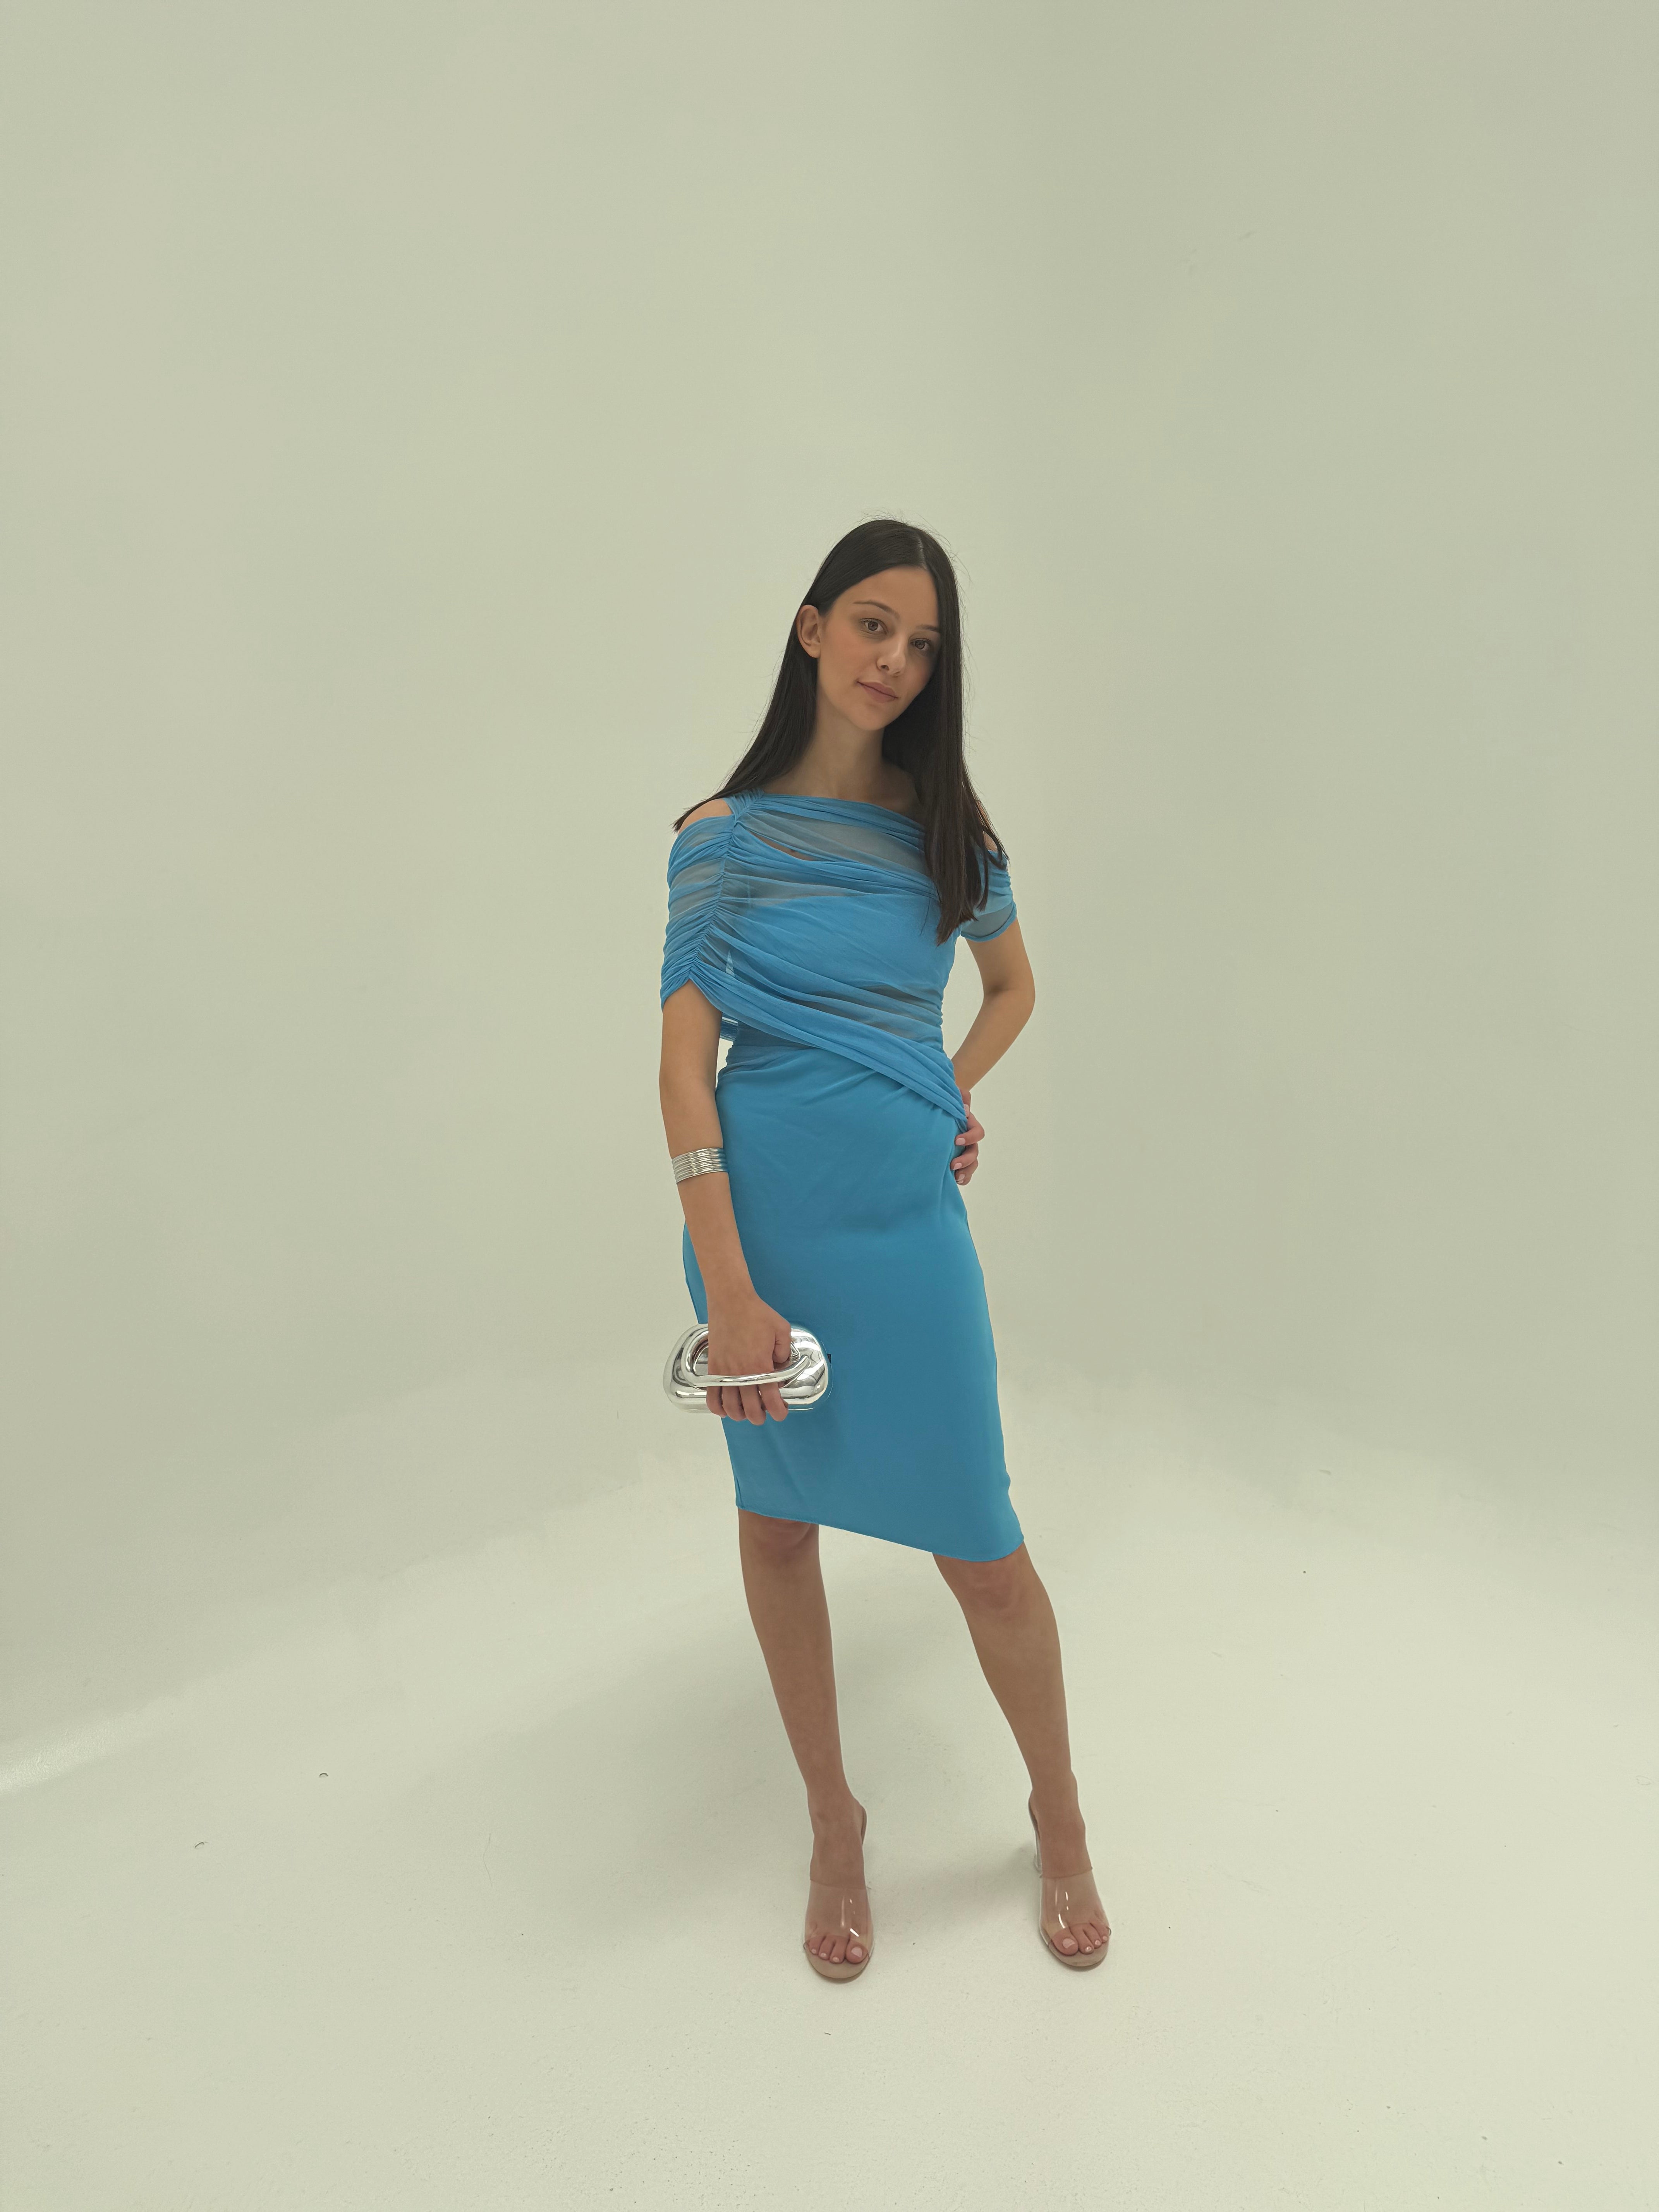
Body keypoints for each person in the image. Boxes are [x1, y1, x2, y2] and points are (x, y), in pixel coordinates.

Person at [658, 517, 1110, 1981]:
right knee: (777, 1526)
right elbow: (680, 1074)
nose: (895, 662)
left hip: (907, 1233)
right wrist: (730, 1288)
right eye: (871, 625)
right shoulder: (721, 841)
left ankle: (1056, 1811)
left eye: (922, 646)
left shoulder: (945, 832)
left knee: (983, 1551)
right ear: (809, 630)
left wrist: (945, 1092)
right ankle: (832, 1822)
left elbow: (1013, 985)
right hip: (762, 1235)